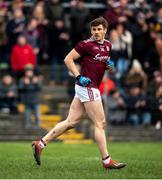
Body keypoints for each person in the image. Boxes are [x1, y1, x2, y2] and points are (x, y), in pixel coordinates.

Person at [32, 17, 126, 170]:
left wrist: (108, 66)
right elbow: (68, 59)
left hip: (90, 87)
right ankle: (106, 160)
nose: (96, 32)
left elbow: (101, 63)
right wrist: (78, 76)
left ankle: (40, 144)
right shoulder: (86, 44)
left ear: (105, 30)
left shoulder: (108, 45)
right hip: (87, 86)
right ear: (91, 31)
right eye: (94, 29)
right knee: (100, 123)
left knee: (71, 122)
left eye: (99, 29)